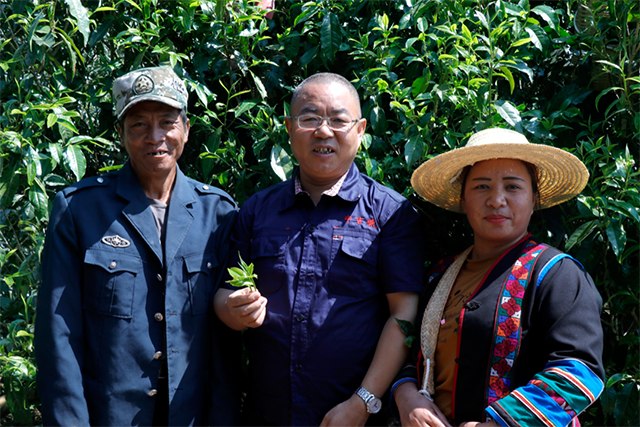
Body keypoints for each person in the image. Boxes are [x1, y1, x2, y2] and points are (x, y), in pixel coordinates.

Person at [213, 72, 425, 427]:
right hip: (267, 413)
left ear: (360, 130)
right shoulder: (256, 210)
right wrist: (233, 311)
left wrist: (363, 402)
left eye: (339, 120)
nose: (324, 131)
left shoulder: (390, 214)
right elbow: (223, 295)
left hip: (351, 415)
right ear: (289, 128)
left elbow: (403, 315)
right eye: (309, 119)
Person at [35, 66, 240, 427]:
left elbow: (224, 348)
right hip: (109, 414)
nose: (154, 136)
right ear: (121, 134)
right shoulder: (81, 210)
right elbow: (58, 335)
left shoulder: (218, 213)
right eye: (139, 125)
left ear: (187, 129)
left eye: (167, 122)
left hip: (192, 414)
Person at [391, 128, 605, 427]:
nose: (496, 200)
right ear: (463, 199)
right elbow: (410, 353)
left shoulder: (558, 274)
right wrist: (406, 396)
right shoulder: (440, 275)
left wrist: (499, 424)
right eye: (481, 187)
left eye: (513, 187)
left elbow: (580, 371)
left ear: (534, 200)